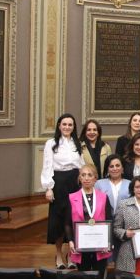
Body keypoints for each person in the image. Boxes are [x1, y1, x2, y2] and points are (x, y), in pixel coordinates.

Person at [41, 113, 84, 269]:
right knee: (58, 221)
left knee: (73, 219)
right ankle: (59, 255)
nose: (67, 127)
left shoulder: (77, 143)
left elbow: (81, 165)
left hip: (74, 183)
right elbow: (47, 166)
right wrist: (48, 188)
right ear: (59, 126)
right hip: (58, 184)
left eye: (70, 125)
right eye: (64, 124)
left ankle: (71, 255)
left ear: (73, 127)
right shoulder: (51, 143)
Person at [65, 164, 113, 278]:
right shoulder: (72, 197)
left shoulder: (103, 197)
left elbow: (109, 219)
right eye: (83, 175)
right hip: (80, 245)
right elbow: (67, 222)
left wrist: (108, 242)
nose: (86, 178)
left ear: (95, 178)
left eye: (90, 175)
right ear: (80, 178)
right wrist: (70, 241)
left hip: (100, 245)